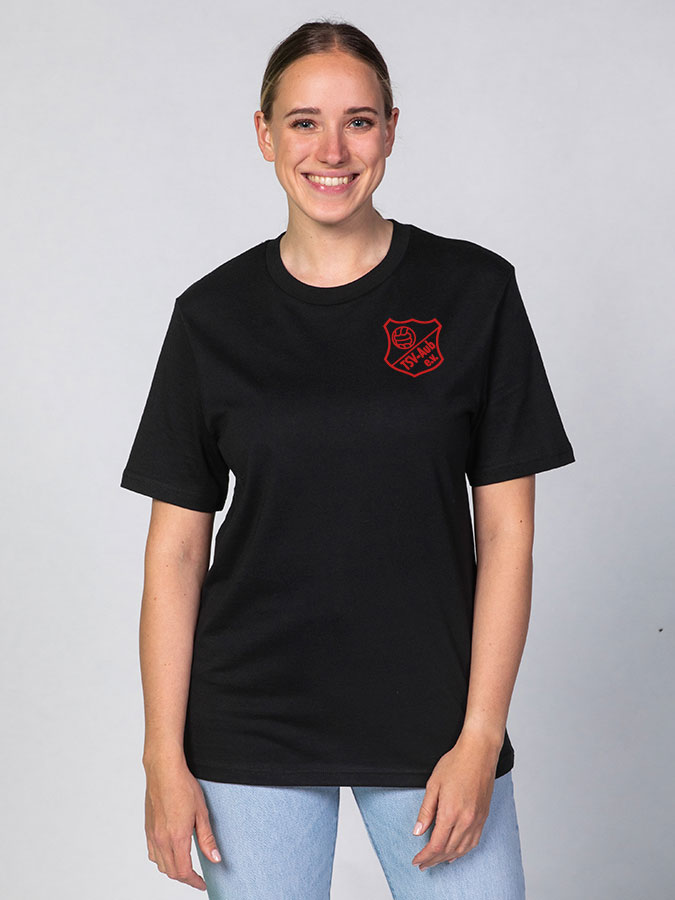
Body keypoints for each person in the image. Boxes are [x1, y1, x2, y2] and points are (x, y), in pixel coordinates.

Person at [120, 18, 575, 900]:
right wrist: (161, 758)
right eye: (303, 122)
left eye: (357, 121)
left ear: (390, 131)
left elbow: (507, 536)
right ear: (264, 134)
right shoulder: (210, 317)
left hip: (433, 720)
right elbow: (175, 551)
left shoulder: (473, 293)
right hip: (249, 721)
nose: (331, 150)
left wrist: (481, 734)